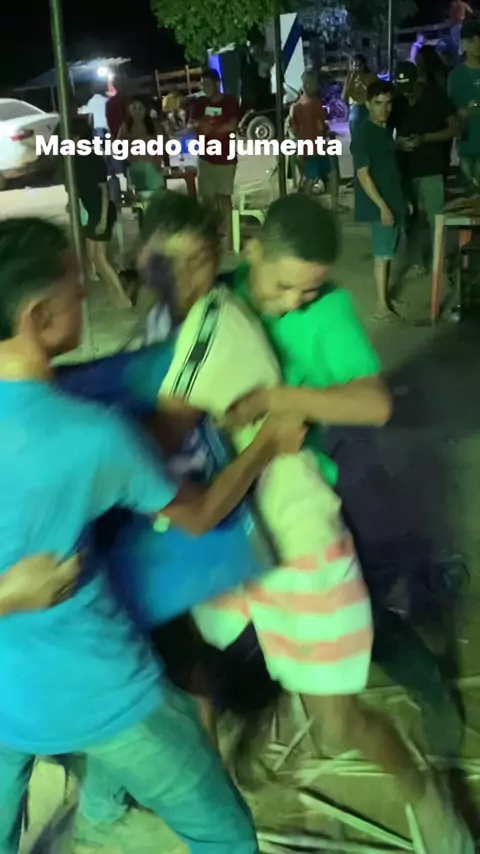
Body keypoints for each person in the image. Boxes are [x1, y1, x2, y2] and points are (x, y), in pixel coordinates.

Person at [133, 191, 471, 854]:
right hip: (240, 534)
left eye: (197, 261)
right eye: (285, 287)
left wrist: (277, 400)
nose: (293, 302)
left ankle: (430, 797)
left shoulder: (246, 319)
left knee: (340, 710)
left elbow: (373, 405)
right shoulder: (201, 309)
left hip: (301, 521)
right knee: (206, 659)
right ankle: (228, 782)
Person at [0, 215, 310, 854]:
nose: (85, 291)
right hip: (102, 690)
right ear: (36, 316)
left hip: (7, 704)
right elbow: (199, 516)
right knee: (225, 835)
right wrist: (266, 445)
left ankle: (102, 811)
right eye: (73, 285)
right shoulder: (90, 436)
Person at [392, 61, 458, 276]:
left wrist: (425, 138)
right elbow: (385, 131)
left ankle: (440, 261)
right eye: (402, 88)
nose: (406, 93)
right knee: (410, 219)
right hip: (406, 168)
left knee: (436, 217)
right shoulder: (396, 99)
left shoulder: (435, 96)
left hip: (432, 167)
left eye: (409, 88)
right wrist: (398, 144)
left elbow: (454, 128)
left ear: (417, 80)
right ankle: (417, 261)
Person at [352, 79, 407, 320]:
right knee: (382, 256)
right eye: (378, 103)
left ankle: (385, 297)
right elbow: (363, 175)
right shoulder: (364, 135)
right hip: (382, 205)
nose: (384, 109)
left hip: (392, 202)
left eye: (388, 103)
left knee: (388, 252)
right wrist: (383, 206)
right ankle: (381, 306)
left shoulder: (383, 132)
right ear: (367, 104)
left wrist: (401, 200)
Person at [69, 117, 130, 308]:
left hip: (100, 210)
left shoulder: (92, 158)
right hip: (91, 210)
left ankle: (122, 296)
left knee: (100, 258)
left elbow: (104, 191)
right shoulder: (76, 159)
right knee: (94, 257)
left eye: (73, 137)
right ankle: (115, 292)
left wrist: (103, 219)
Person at [189, 68, 241, 250]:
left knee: (224, 196)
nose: (205, 87)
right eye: (202, 84)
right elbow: (192, 122)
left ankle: (230, 238)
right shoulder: (199, 103)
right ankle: (211, 234)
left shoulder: (229, 101)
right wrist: (199, 124)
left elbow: (232, 124)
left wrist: (212, 129)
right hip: (205, 156)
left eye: (208, 84)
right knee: (206, 198)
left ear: (217, 83)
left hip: (225, 157)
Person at [290, 70, 340, 210]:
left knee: (312, 177)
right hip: (317, 147)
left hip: (305, 148)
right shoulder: (315, 104)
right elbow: (320, 126)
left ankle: (309, 206)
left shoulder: (297, 106)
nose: (315, 86)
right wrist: (327, 134)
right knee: (327, 175)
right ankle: (326, 205)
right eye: (313, 83)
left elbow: (294, 129)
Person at [448, 21, 480, 190]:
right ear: (464, 44)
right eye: (471, 40)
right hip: (467, 147)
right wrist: (462, 113)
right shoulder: (456, 75)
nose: (477, 44)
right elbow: (449, 111)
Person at [118, 97, 169, 195]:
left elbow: (165, 144)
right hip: (134, 168)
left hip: (152, 167)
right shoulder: (125, 127)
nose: (137, 111)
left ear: (146, 109)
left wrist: (160, 162)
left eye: (140, 108)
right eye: (134, 108)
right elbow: (119, 146)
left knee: (156, 196)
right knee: (138, 197)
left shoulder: (154, 126)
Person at [342, 55, 377, 142]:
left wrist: (362, 80)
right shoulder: (349, 79)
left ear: (364, 65)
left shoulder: (371, 77)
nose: (356, 68)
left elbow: (374, 93)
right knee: (356, 139)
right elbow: (344, 97)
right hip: (355, 110)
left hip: (368, 109)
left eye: (359, 65)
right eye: (354, 66)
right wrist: (351, 80)